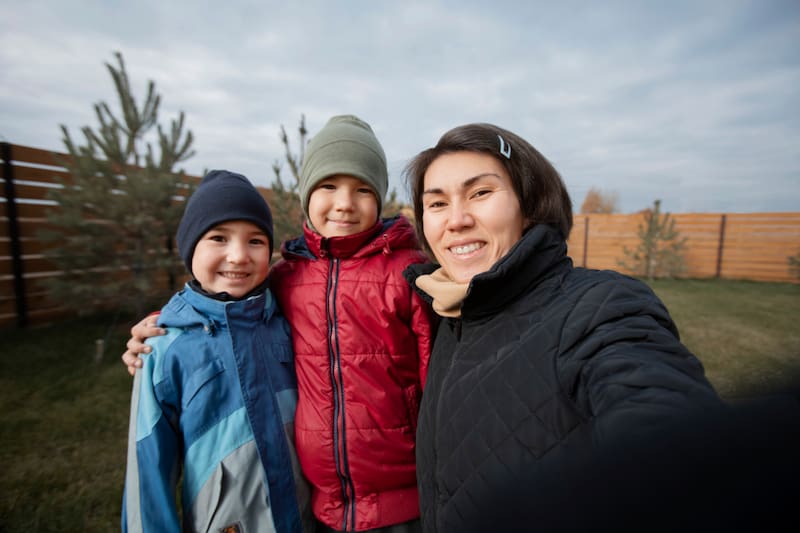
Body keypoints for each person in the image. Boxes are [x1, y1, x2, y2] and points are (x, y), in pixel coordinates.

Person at [401, 123, 731, 532]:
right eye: (436, 204)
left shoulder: (599, 306)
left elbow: (663, 422)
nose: (457, 219)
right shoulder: (451, 314)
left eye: (481, 193)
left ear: (531, 203)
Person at [123, 115, 435, 533]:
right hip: (323, 504)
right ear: (307, 194)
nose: (344, 202)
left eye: (363, 189)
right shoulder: (288, 279)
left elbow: (441, 369)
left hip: (403, 490)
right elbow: (227, 304)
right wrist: (167, 321)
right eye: (328, 186)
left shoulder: (410, 272)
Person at [122, 170, 312, 533]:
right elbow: (147, 473)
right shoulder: (162, 347)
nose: (239, 256)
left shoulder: (287, 321)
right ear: (190, 248)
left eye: (255, 241)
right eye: (219, 238)